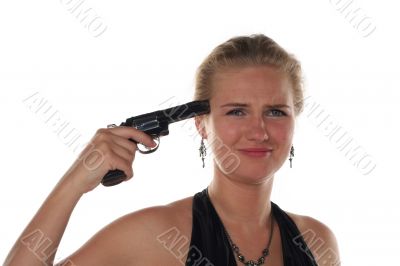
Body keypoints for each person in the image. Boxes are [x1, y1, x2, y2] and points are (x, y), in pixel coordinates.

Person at [4, 34, 340, 266]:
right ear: (200, 124)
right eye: (236, 110)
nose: (259, 130)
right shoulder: (156, 235)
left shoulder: (316, 242)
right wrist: (74, 182)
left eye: (276, 111)